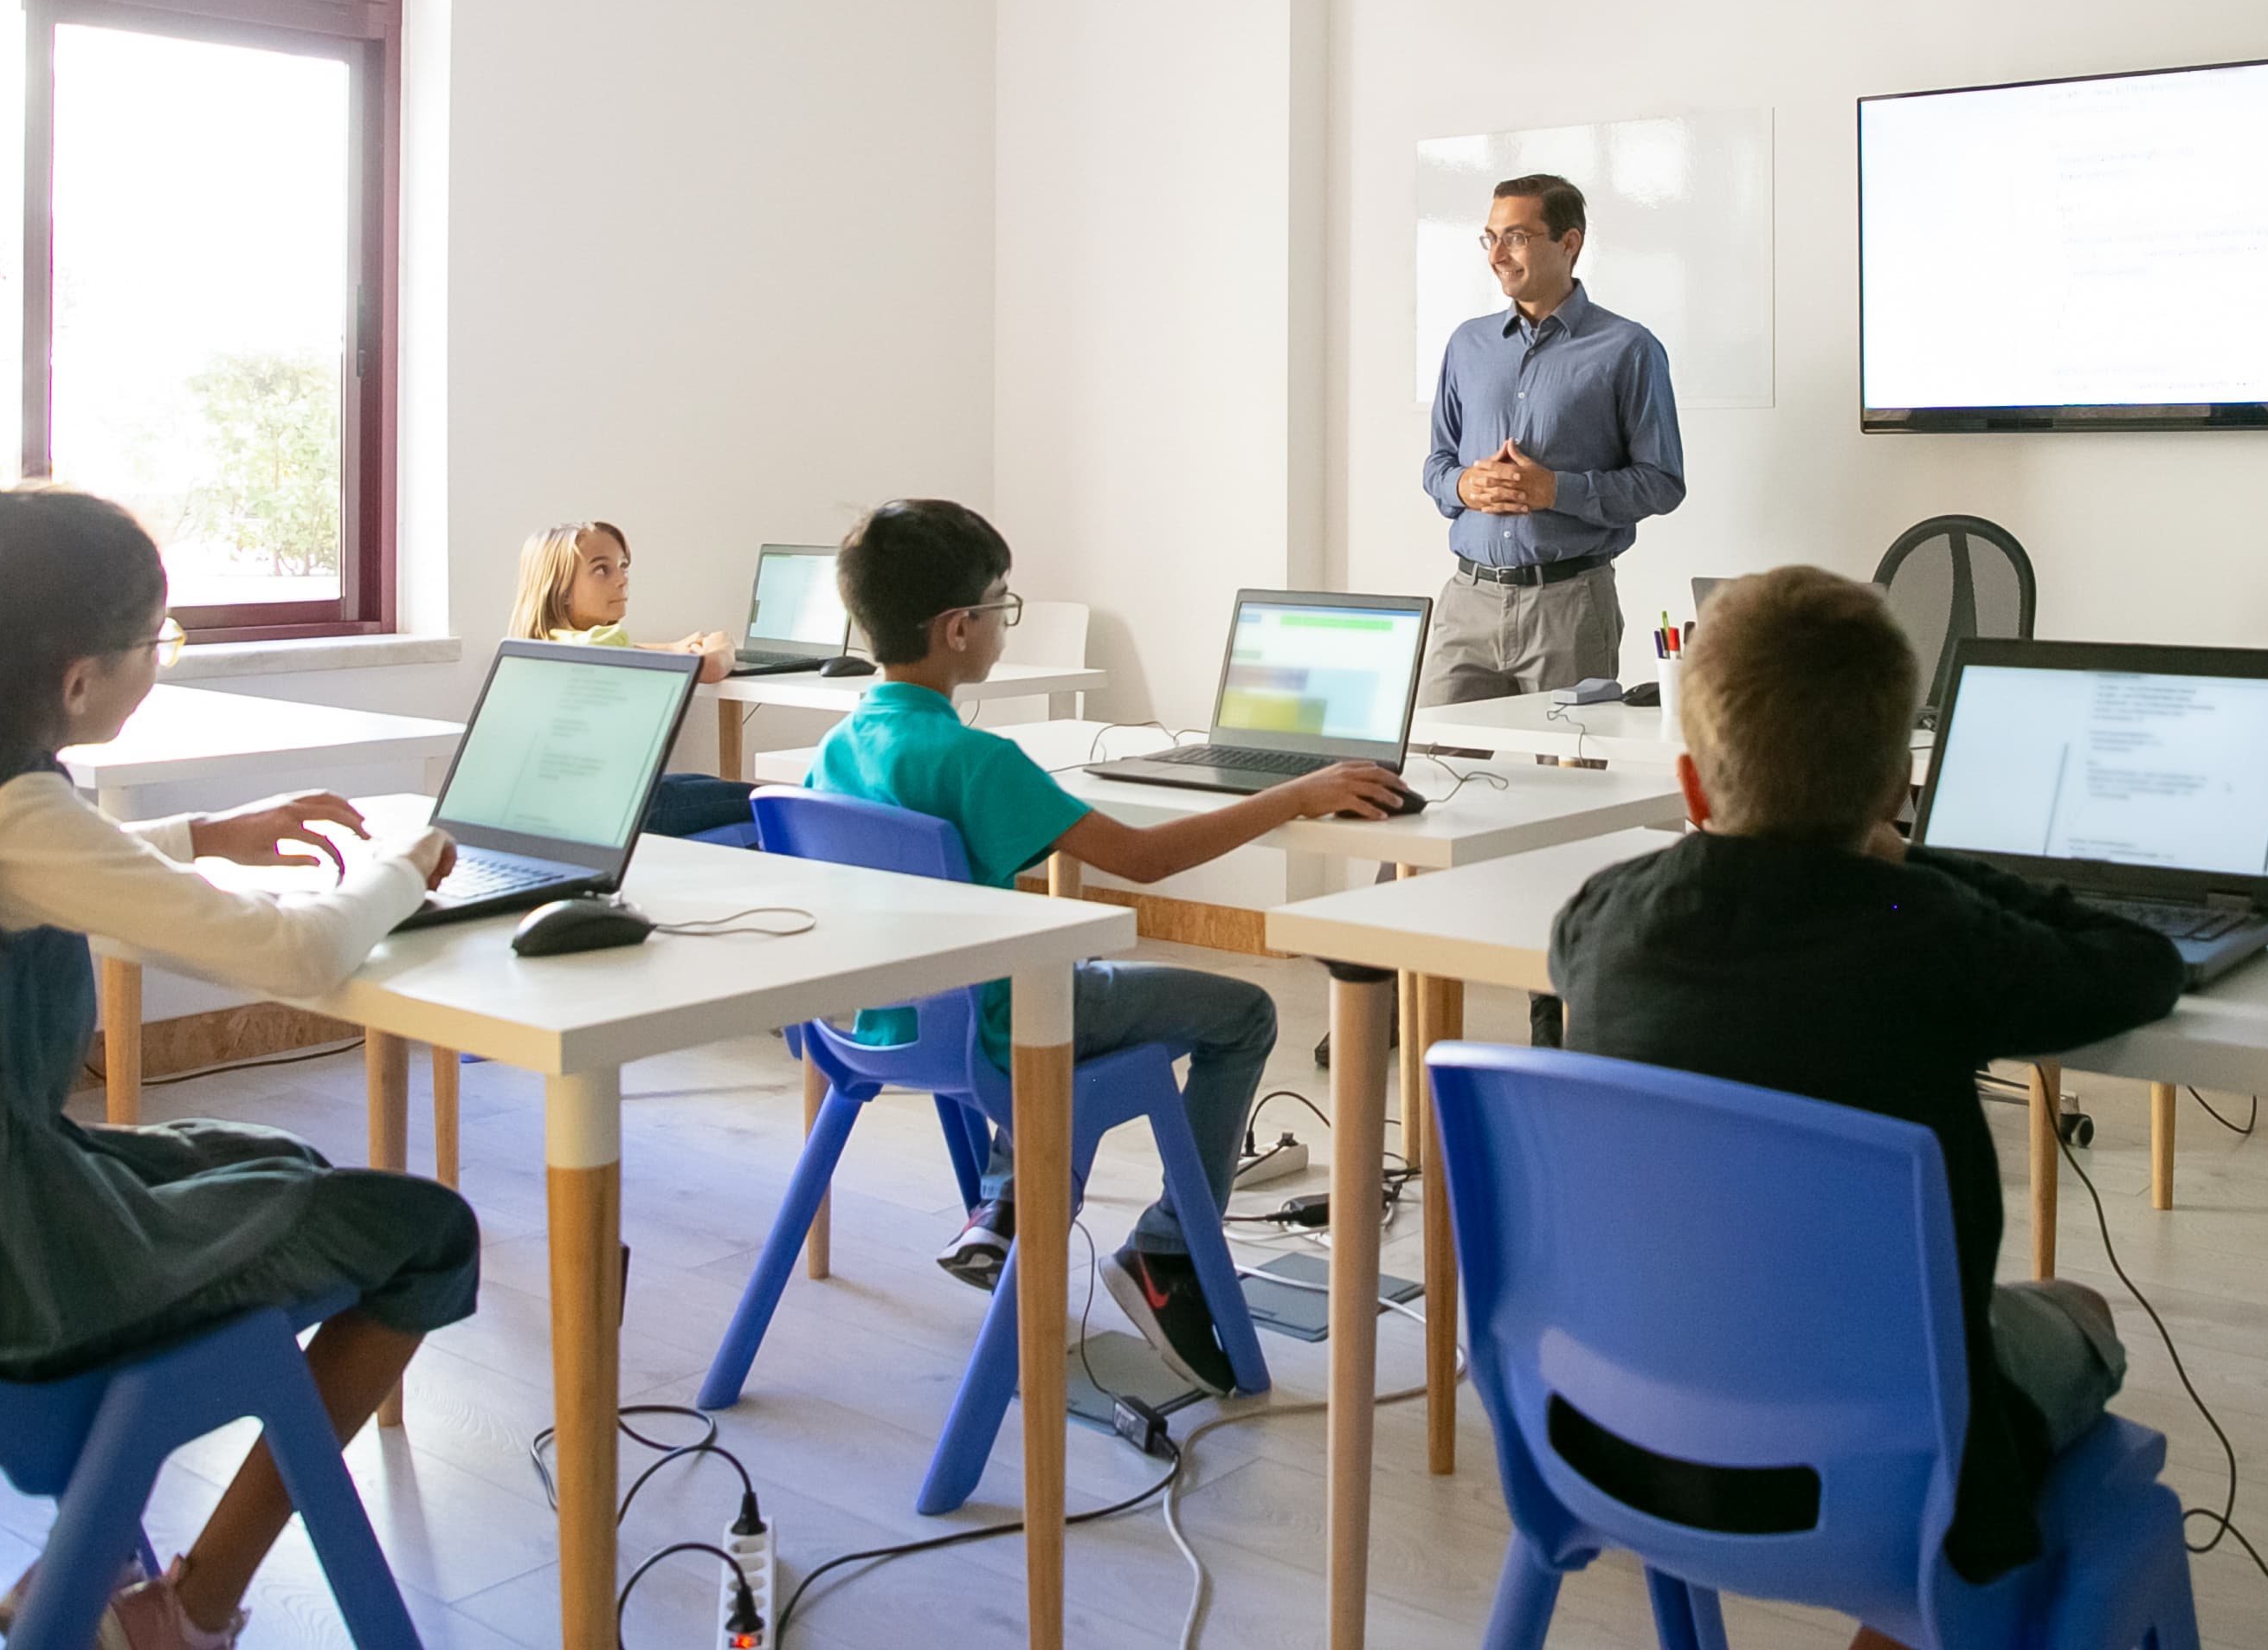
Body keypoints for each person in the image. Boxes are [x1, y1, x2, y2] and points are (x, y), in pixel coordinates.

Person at [0, 486, 479, 1650]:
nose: (153, 665)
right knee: (426, 1231)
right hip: (1, 1272)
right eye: (152, 645)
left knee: (269, 1156)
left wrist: (201, 837)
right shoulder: (10, 804)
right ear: (76, 679)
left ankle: (99, 1560)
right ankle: (185, 1605)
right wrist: (412, 865)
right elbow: (300, 951)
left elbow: (18, 868)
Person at [1548, 566, 2183, 1627]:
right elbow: (2138, 959)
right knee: (2078, 1312)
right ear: (1895, 785)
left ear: (1694, 788)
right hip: (1892, 1472)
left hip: (1621, 1435)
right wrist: (1919, 865)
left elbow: (1641, 948)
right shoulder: (1927, 931)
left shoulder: (1603, 918)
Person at [815, 499, 1409, 1394]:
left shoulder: (837, 746)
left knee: (1054, 964)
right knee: (1243, 1012)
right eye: (999, 605)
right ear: (956, 629)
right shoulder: (975, 760)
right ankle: (1165, 1253)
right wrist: (1299, 793)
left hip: (886, 1026)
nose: (1002, 622)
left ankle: (1007, 1202)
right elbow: (1145, 859)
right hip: (999, 1029)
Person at [1422, 170, 1687, 1045]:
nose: (1500, 253)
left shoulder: (1627, 348)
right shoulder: (1467, 345)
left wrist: (1555, 487)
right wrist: (1466, 482)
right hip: (1467, 601)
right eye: (1490, 237)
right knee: (1421, 789)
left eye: (1518, 237)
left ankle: (1554, 1011)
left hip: (1569, 603)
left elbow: (1661, 482)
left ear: (1568, 243)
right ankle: (1399, 986)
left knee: (1559, 815)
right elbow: (1435, 470)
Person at [511, 519, 754, 839]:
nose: (622, 580)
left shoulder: (546, 644)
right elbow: (710, 668)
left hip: (584, 808)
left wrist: (673, 647)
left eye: (623, 567)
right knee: (766, 798)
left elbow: (634, 649)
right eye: (602, 570)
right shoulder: (602, 645)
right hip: (634, 810)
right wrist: (723, 642)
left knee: (707, 782)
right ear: (561, 590)